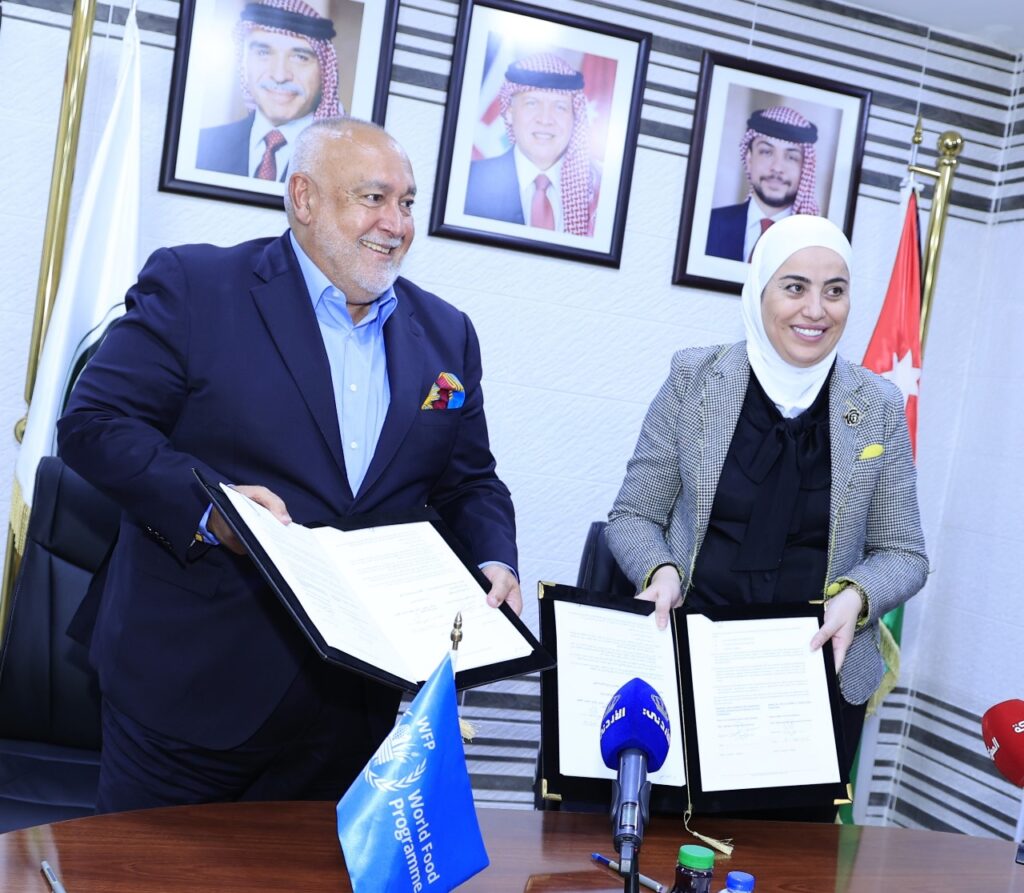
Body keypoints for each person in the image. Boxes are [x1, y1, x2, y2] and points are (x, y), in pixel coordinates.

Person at [57, 118, 521, 813]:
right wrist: (214, 508)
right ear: (303, 197)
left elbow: (471, 481)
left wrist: (493, 557)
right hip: (189, 691)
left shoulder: (447, 334)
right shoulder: (197, 286)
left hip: (349, 712)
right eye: (373, 198)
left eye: (406, 203)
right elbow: (93, 423)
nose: (396, 224)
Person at [606, 214, 928, 821]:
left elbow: (904, 552)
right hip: (691, 665)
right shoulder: (694, 379)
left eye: (835, 290)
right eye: (795, 286)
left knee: (791, 861)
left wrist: (855, 598)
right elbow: (633, 516)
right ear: (759, 291)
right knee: (674, 843)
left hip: (815, 680)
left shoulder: (878, 404)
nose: (816, 309)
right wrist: (661, 571)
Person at [196, 0, 343, 181]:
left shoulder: (344, 163)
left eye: (300, 57)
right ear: (244, 62)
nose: (279, 76)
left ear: (324, 72)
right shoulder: (200, 146)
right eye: (263, 53)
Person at [464, 53, 599, 236]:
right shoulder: (468, 182)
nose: (545, 119)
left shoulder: (598, 194)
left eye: (560, 107)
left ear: (575, 118)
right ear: (510, 113)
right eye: (532, 103)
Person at [706, 106, 820, 262]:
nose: (777, 168)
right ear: (749, 159)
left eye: (791, 157)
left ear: (805, 168)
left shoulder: (815, 245)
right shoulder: (709, 224)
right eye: (766, 152)